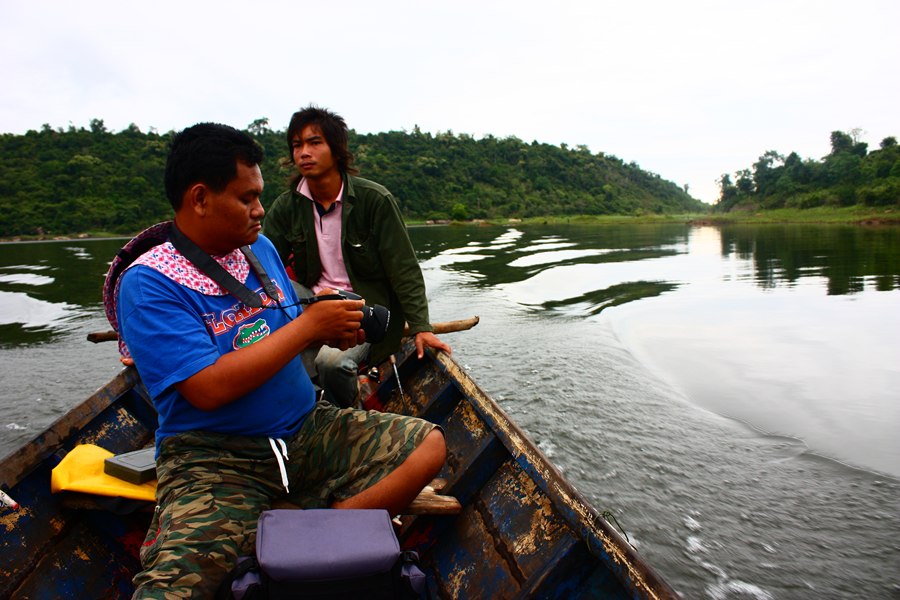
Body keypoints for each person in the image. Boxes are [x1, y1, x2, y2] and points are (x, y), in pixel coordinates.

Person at [115, 123, 446, 599]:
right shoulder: (149, 284)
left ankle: (305, 533)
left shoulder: (260, 249)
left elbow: (283, 326)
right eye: (246, 198)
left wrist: (328, 325)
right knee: (171, 590)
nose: (260, 210)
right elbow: (207, 389)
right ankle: (297, 536)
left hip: (305, 429)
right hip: (216, 457)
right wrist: (309, 329)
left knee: (428, 446)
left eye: (260, 196)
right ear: (200, 198)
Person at [262, 106, 451, 408]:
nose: (303, 153)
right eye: (297, 145)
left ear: (336, 151)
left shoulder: (374, 201)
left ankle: (350, 412)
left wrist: (421, 327)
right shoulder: (288, 206)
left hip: (363, 309)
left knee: (332, 364)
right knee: (269, 315)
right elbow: (263, 267)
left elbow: (404, 270)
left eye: (314, 143)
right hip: (315, 299)